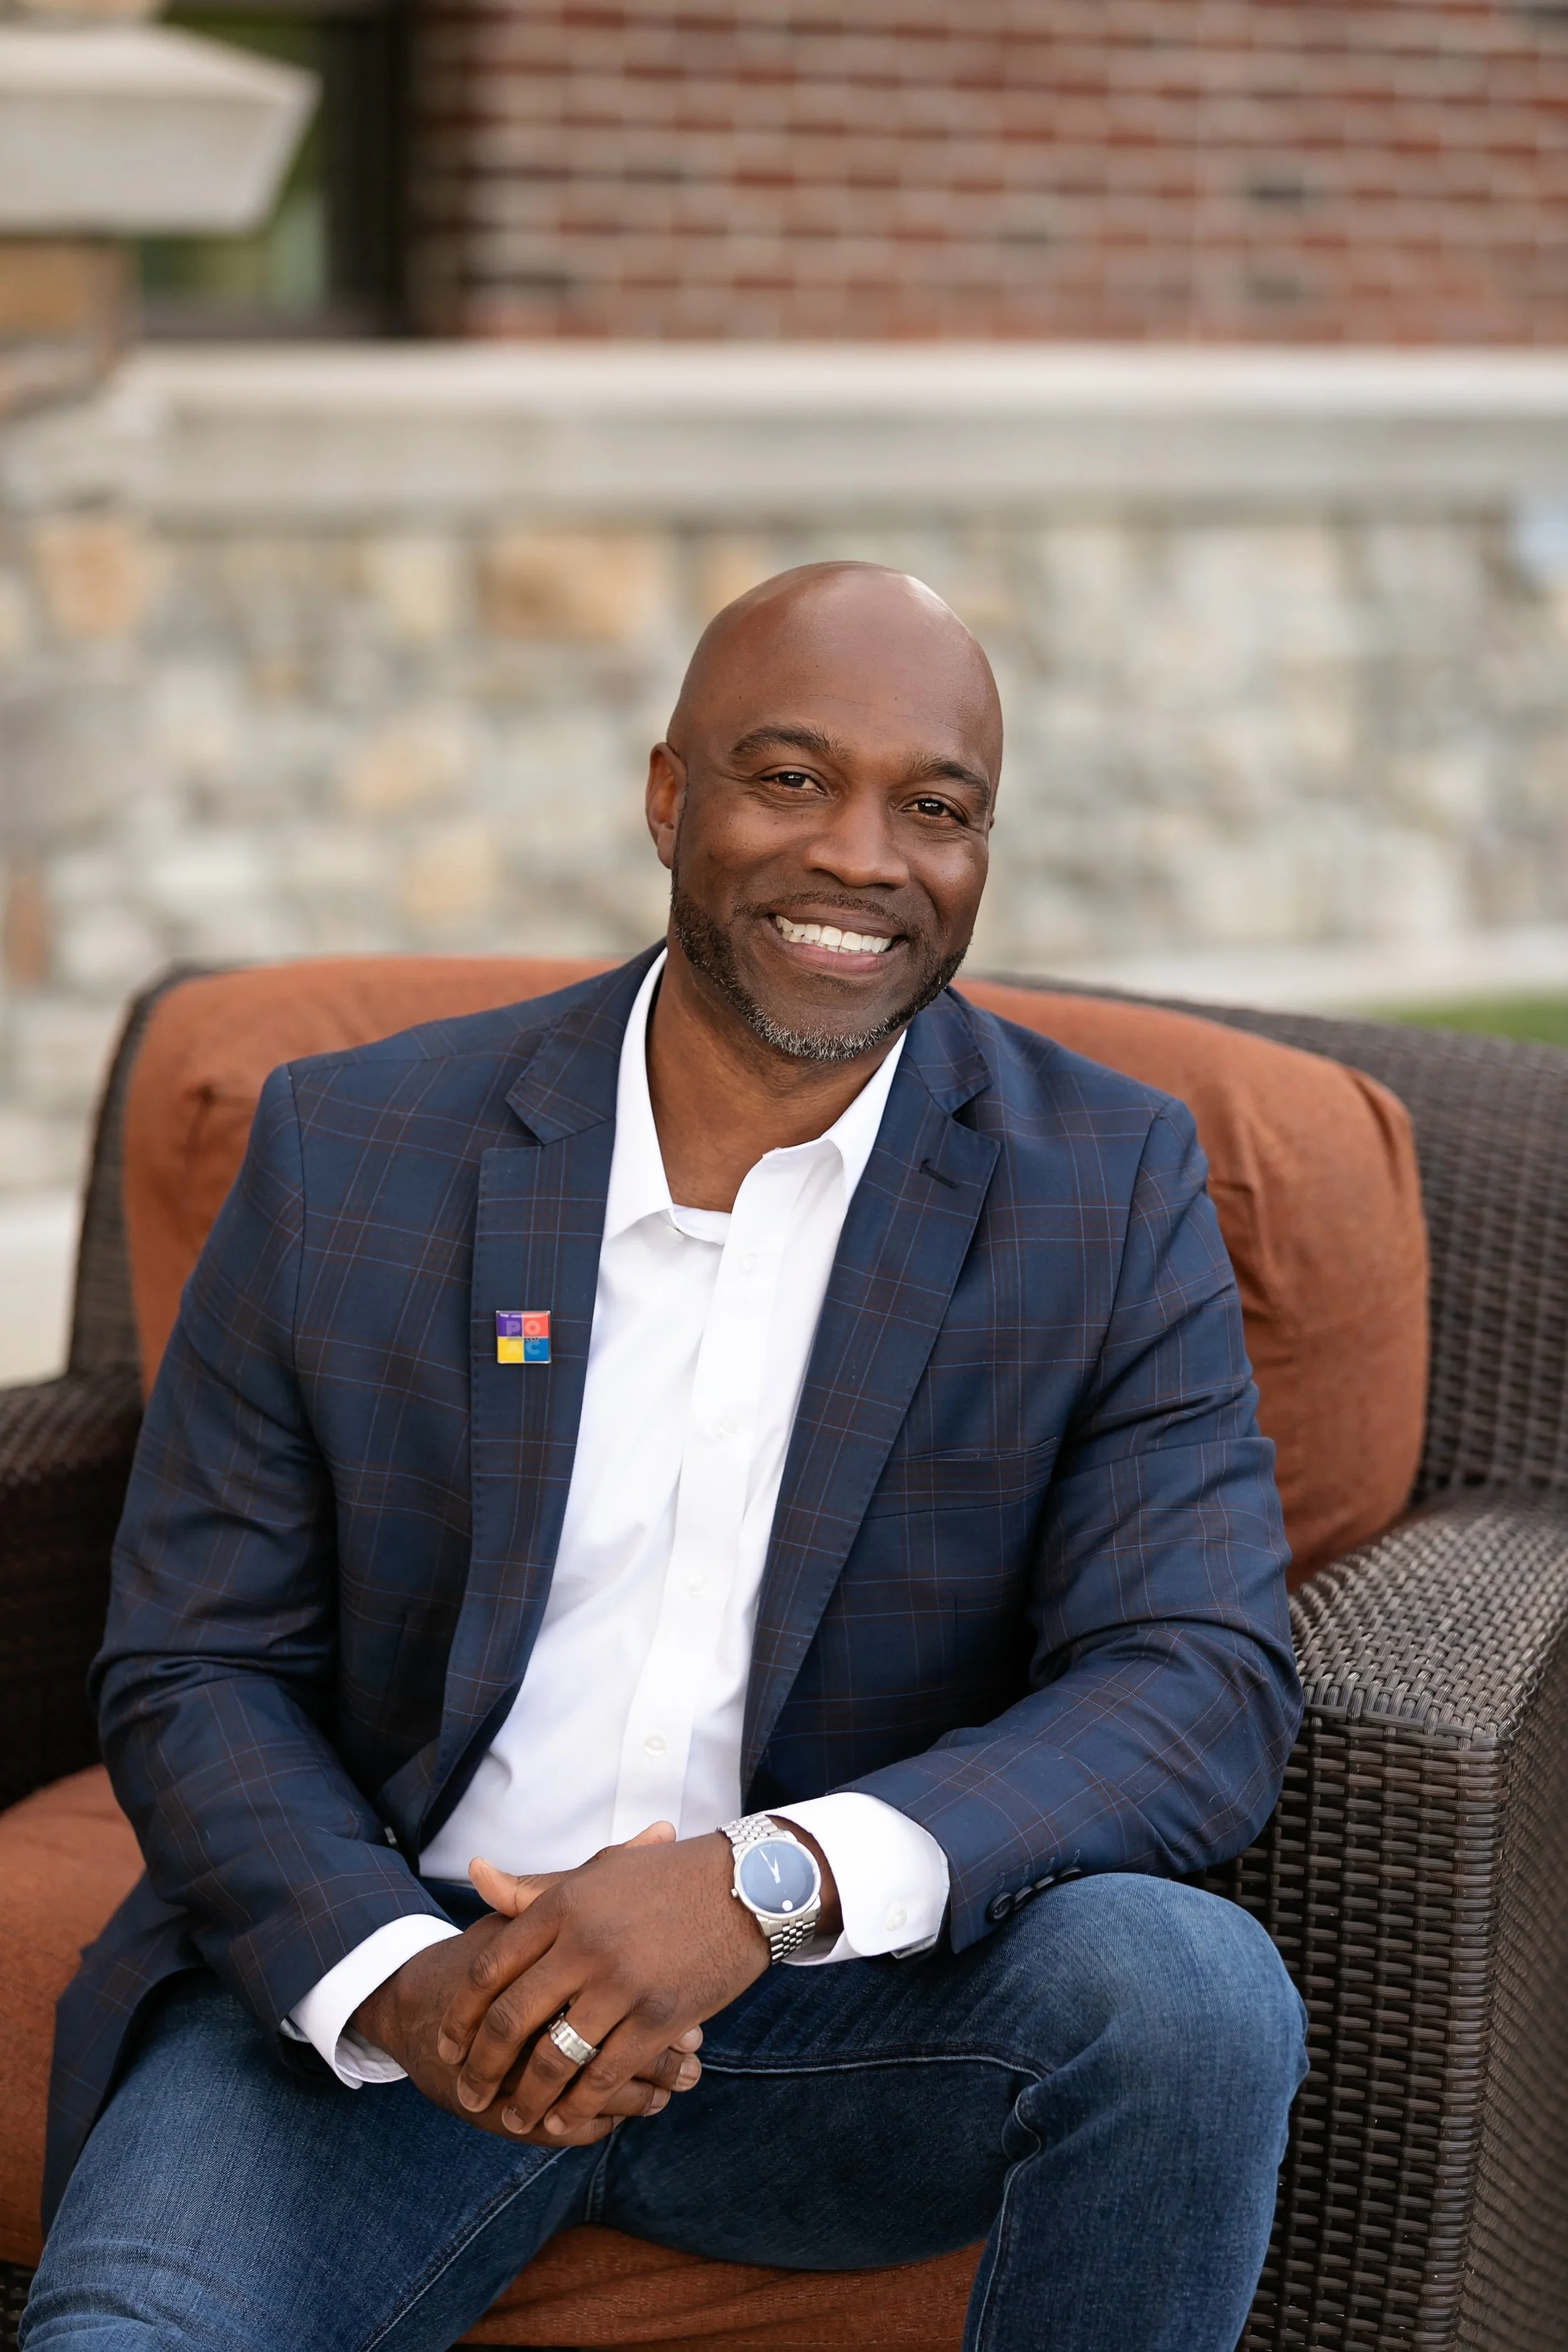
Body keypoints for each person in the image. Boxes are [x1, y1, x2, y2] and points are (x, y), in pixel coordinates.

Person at [24, 563, 1306, 2352]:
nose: (862, 855)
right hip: (405, 1996)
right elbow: (195, 1658)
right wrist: (406, 1987)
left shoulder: (1101, 1187)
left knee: (1186, 1996)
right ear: (666, 798)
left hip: (840, 2022)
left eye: (933, 808)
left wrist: (761, 1886)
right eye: (790, 779)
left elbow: (1196, 1676)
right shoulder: (354, 1149)